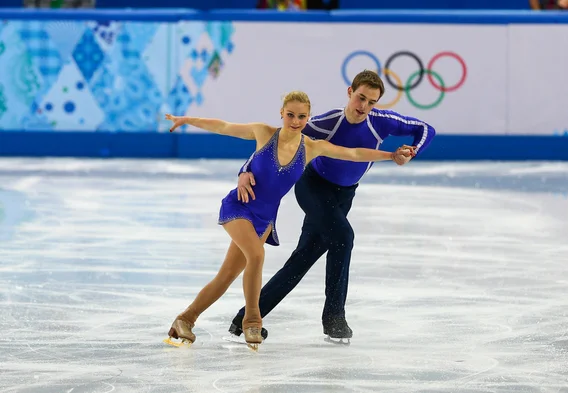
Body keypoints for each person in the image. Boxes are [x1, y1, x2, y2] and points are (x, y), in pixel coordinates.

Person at [163, 90, 414, 348]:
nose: (295, 121)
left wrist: (391, 156)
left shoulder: (312, 147)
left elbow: (353, 154)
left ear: (308, 118)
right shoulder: (264, 133)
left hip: (264, 219)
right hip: (240, 207)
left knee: (226, 276)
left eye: (301, 116)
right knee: (257, 256)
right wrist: (188, 119)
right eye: (290, 115)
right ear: (281, 113)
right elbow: (224, 127)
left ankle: (186, 319)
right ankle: (252, 322)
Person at [228, 70, 436, 343]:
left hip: (343, 197)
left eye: (371, 102)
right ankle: (334, 318)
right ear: (350, 92)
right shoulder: (325, 123)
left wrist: (412, 151)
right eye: (361, 98)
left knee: (301, 261)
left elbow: (426, 129)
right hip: (313, 188)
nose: (364, 106)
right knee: (343, 237)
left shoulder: (382, 122)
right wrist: (245, 170)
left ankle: (242, 320)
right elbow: (273, 142)